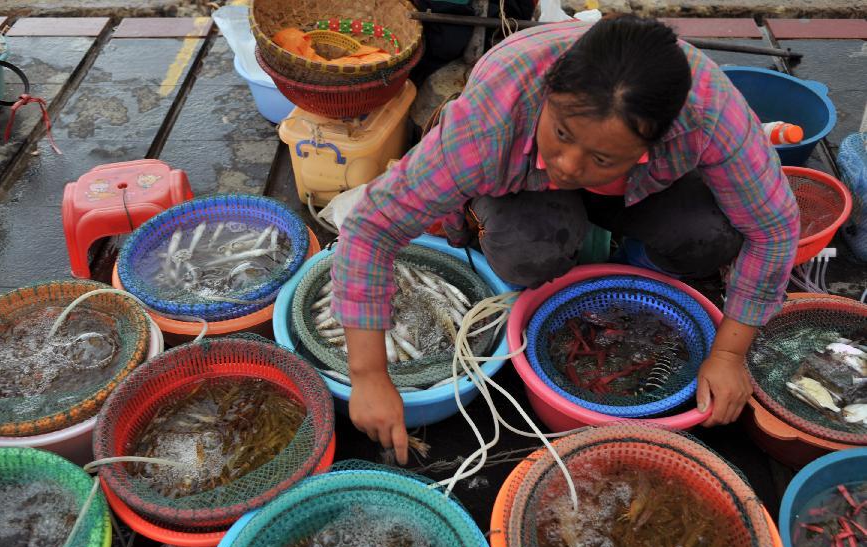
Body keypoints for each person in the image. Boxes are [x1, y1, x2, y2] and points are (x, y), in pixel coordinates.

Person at [330, 15, 800, 464]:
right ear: (548, 93)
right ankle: (505, 211)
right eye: (561, 133)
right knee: (527, 256)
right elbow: (373, 226)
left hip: (641, 185)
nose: (570, 165)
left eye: (599, 156)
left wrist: (728, 354)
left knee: (710, 238)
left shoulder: (707, 112)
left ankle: (628, 238)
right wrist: (369, 375)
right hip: (519, 180)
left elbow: (774, 229)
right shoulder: (490, 121)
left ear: (656, 142)